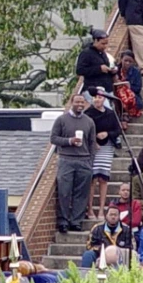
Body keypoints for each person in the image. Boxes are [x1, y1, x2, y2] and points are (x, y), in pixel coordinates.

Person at [50, 93, 97, 233]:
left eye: (82, 102)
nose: (80, 105)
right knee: (64, 191)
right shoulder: (61, 120)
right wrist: (69, 141)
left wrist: (90, 161)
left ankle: (76, 221)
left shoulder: (89, 121)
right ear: (72, 102)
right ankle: (63, 221)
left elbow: (92, 142)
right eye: (77, 102)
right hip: (66, 159)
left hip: (84, 161)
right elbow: (53, 138)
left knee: (81, 193)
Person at [84, 92, 122, 219]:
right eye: (95, 97)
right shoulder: (88, 114)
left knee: (103, 178)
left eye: (99, 97)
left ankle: (101, 210)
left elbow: (118, 130)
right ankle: (90, 209)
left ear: (104, 98)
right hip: (93, 148)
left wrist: (107, 133)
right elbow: (85, 131)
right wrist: (93, 140)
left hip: (106, 147)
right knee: (92, 179)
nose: (97, 100)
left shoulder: (110, 113)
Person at [80, 204, 132, 268]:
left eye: (115, 215)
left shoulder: (127, 230)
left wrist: (115, 252)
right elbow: (89, 246)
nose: (113, 217)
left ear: (119, 217)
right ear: (106, 216)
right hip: (101, 255)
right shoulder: (97, 228)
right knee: (88, 255)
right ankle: (85, 275)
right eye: (111, 214)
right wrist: (104, 251)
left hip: (120, 257)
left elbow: (131, 248)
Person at [76, 29, 119, 99]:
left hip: (107, 89)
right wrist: (99, 69)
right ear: (96, 41)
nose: (105, 46)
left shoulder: (103, 53)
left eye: (106, 44)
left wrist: (112, 71)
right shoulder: (86, 53)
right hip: (94, 90)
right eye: (103, 44)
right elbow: (80, 70)